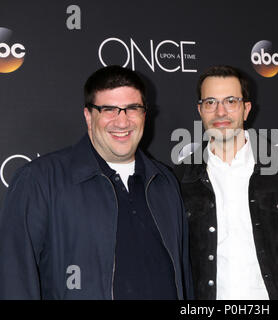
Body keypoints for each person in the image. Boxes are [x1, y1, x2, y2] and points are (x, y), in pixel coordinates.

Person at [0, 65, 193, 300]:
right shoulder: (40, 180)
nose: (122, 122)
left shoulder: (164, 181)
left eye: (132, 108)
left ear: (145, 114)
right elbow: (15, 279)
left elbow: (183, 277)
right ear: (89, 116)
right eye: (109, 109)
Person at [174, 65, 278, 300]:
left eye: (231, 101)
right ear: (200, 110)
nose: (220, 112)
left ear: (246, 109)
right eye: (210, 102)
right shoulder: (181, 178)